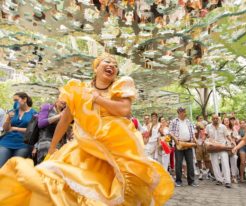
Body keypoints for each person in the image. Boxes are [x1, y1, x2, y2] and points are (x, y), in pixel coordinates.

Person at [0, 53, 174, 205]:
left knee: (111, 193)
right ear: (96, 68)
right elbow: (65, 119)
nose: (112, 66)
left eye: (115, 65)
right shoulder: (79, 90)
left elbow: (123, 110)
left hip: (116, 151)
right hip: (84, 148)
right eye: (107, 62)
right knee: (59, 181)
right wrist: (52, 148)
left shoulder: (120, 86)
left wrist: (97, 98)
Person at [0, 92, 36, 167]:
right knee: (1, 164)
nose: (15, 102)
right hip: (7, 141)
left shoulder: (34, 113)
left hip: (23, 143)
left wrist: (16, 128)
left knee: (15, 166)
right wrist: (8, 118)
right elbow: (6, 129)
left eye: (16, 100)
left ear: (24, 99)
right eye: (14, 101)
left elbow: (32, 130)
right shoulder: (11, 111)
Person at [170, 107, 198, 187]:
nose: (182, 113)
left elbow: (192, 132)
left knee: (190, 163)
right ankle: (178, 181)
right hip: (179, 143)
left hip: (188, 143)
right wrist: (175, 139)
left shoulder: (188, 121)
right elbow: (170, 132)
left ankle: (191, 181)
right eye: (181, 112)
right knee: (178, 163)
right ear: (178, 113)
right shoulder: (174, 121)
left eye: (184, 112)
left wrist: (195, 140)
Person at [32, 100, 67, 164]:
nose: (65, 101)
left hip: (60, 145)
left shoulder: (66, 111)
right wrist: (58, 116)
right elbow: (41, 123)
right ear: (57, 99)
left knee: (55, 167)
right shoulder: (48, 107)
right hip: (46, 143)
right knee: (44, 165)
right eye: (63, 98)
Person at [206, 114, 232, 188]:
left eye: (216, 118)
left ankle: (227, 181)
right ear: (212, 119)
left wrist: (232, 141)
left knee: (225, 163)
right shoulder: (208, 127)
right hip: (213, 147)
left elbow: (227, 135)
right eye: (214, 118)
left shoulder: (223, 127)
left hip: (223, 146)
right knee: (214, 163)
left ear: (218, 119)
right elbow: (205, 135)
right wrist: (206, 141)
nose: (215, 119)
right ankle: (219, 180)